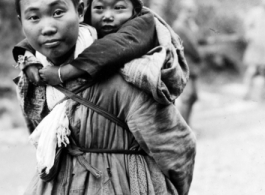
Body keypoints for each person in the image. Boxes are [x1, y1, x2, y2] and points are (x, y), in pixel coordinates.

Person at [14, 0, 196, 195]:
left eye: (58, 12)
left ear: (80, 12)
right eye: (33, 17)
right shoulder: (33, 81)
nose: (48, 28)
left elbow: (175, 148)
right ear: (21, 22)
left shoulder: (126, 79)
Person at [14, 0, 189, 133]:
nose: (107, 15)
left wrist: (62, 73)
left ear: (135, 9)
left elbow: (114, 46)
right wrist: (27, 57)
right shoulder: (87, 29)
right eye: (99, 8)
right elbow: (40, 36)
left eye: (119, 7)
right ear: (86, 10)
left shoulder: (144, 23)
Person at [172, 0, 201, 124]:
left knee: (193, 97)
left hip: (192, 66)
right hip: (184, 65)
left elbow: (198, 40)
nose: (190, 14)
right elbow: (192, 46)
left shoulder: (190, 25)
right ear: (181, 11)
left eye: (192, 11)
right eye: (188, 11)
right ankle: (183, 127)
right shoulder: (179, 26)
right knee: (187, 96)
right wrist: (200, 55)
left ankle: (187, 124)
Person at [243, 0, 265, 101]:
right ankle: (246, 92)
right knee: (251, 69)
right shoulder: (255, 12)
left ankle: (261, 96)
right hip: (255, 47)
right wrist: (250, 37)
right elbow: (247, 26)